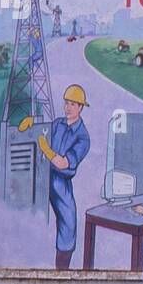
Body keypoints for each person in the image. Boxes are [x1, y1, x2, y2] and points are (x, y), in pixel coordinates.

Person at [32, 83, 91, 270]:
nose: (68, 108)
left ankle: (61, 271)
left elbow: (64, 163)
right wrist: (30, 123)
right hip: (42, 175)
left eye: (73, 104)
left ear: (81, 107)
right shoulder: (58, 123)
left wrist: (47, 151)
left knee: (68, 222)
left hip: (60, 183)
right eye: (66, 103)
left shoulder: (83, 137)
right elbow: (42, 129)